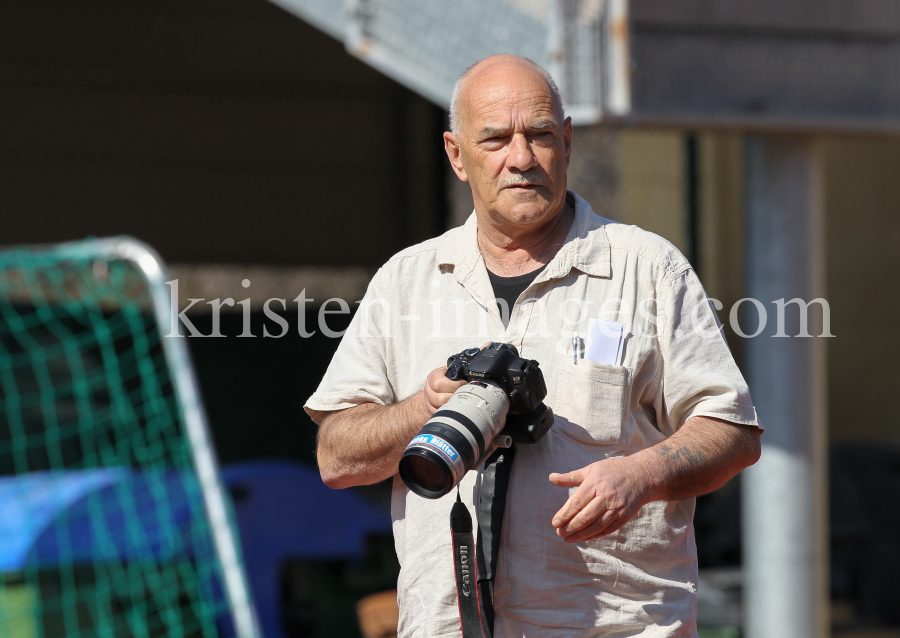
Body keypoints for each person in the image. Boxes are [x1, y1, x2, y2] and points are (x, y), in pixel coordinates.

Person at [305, 54, 762, 638]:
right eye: (495, 139)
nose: (521, 158)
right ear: (456, 155)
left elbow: (732, 430)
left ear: (567, 142)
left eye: (540, 135)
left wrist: (640, 475)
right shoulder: (407, 280)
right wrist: (425, 409)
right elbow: (336, 458)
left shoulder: (648, 269)